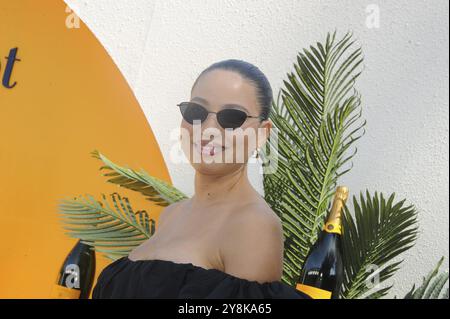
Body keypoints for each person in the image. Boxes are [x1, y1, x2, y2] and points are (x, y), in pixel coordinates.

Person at [92, 59, 309, 299]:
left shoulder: (253, 225)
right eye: (197, 112)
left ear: (261, 134)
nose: (208, 129)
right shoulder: (170, 215)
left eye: (232, 117)